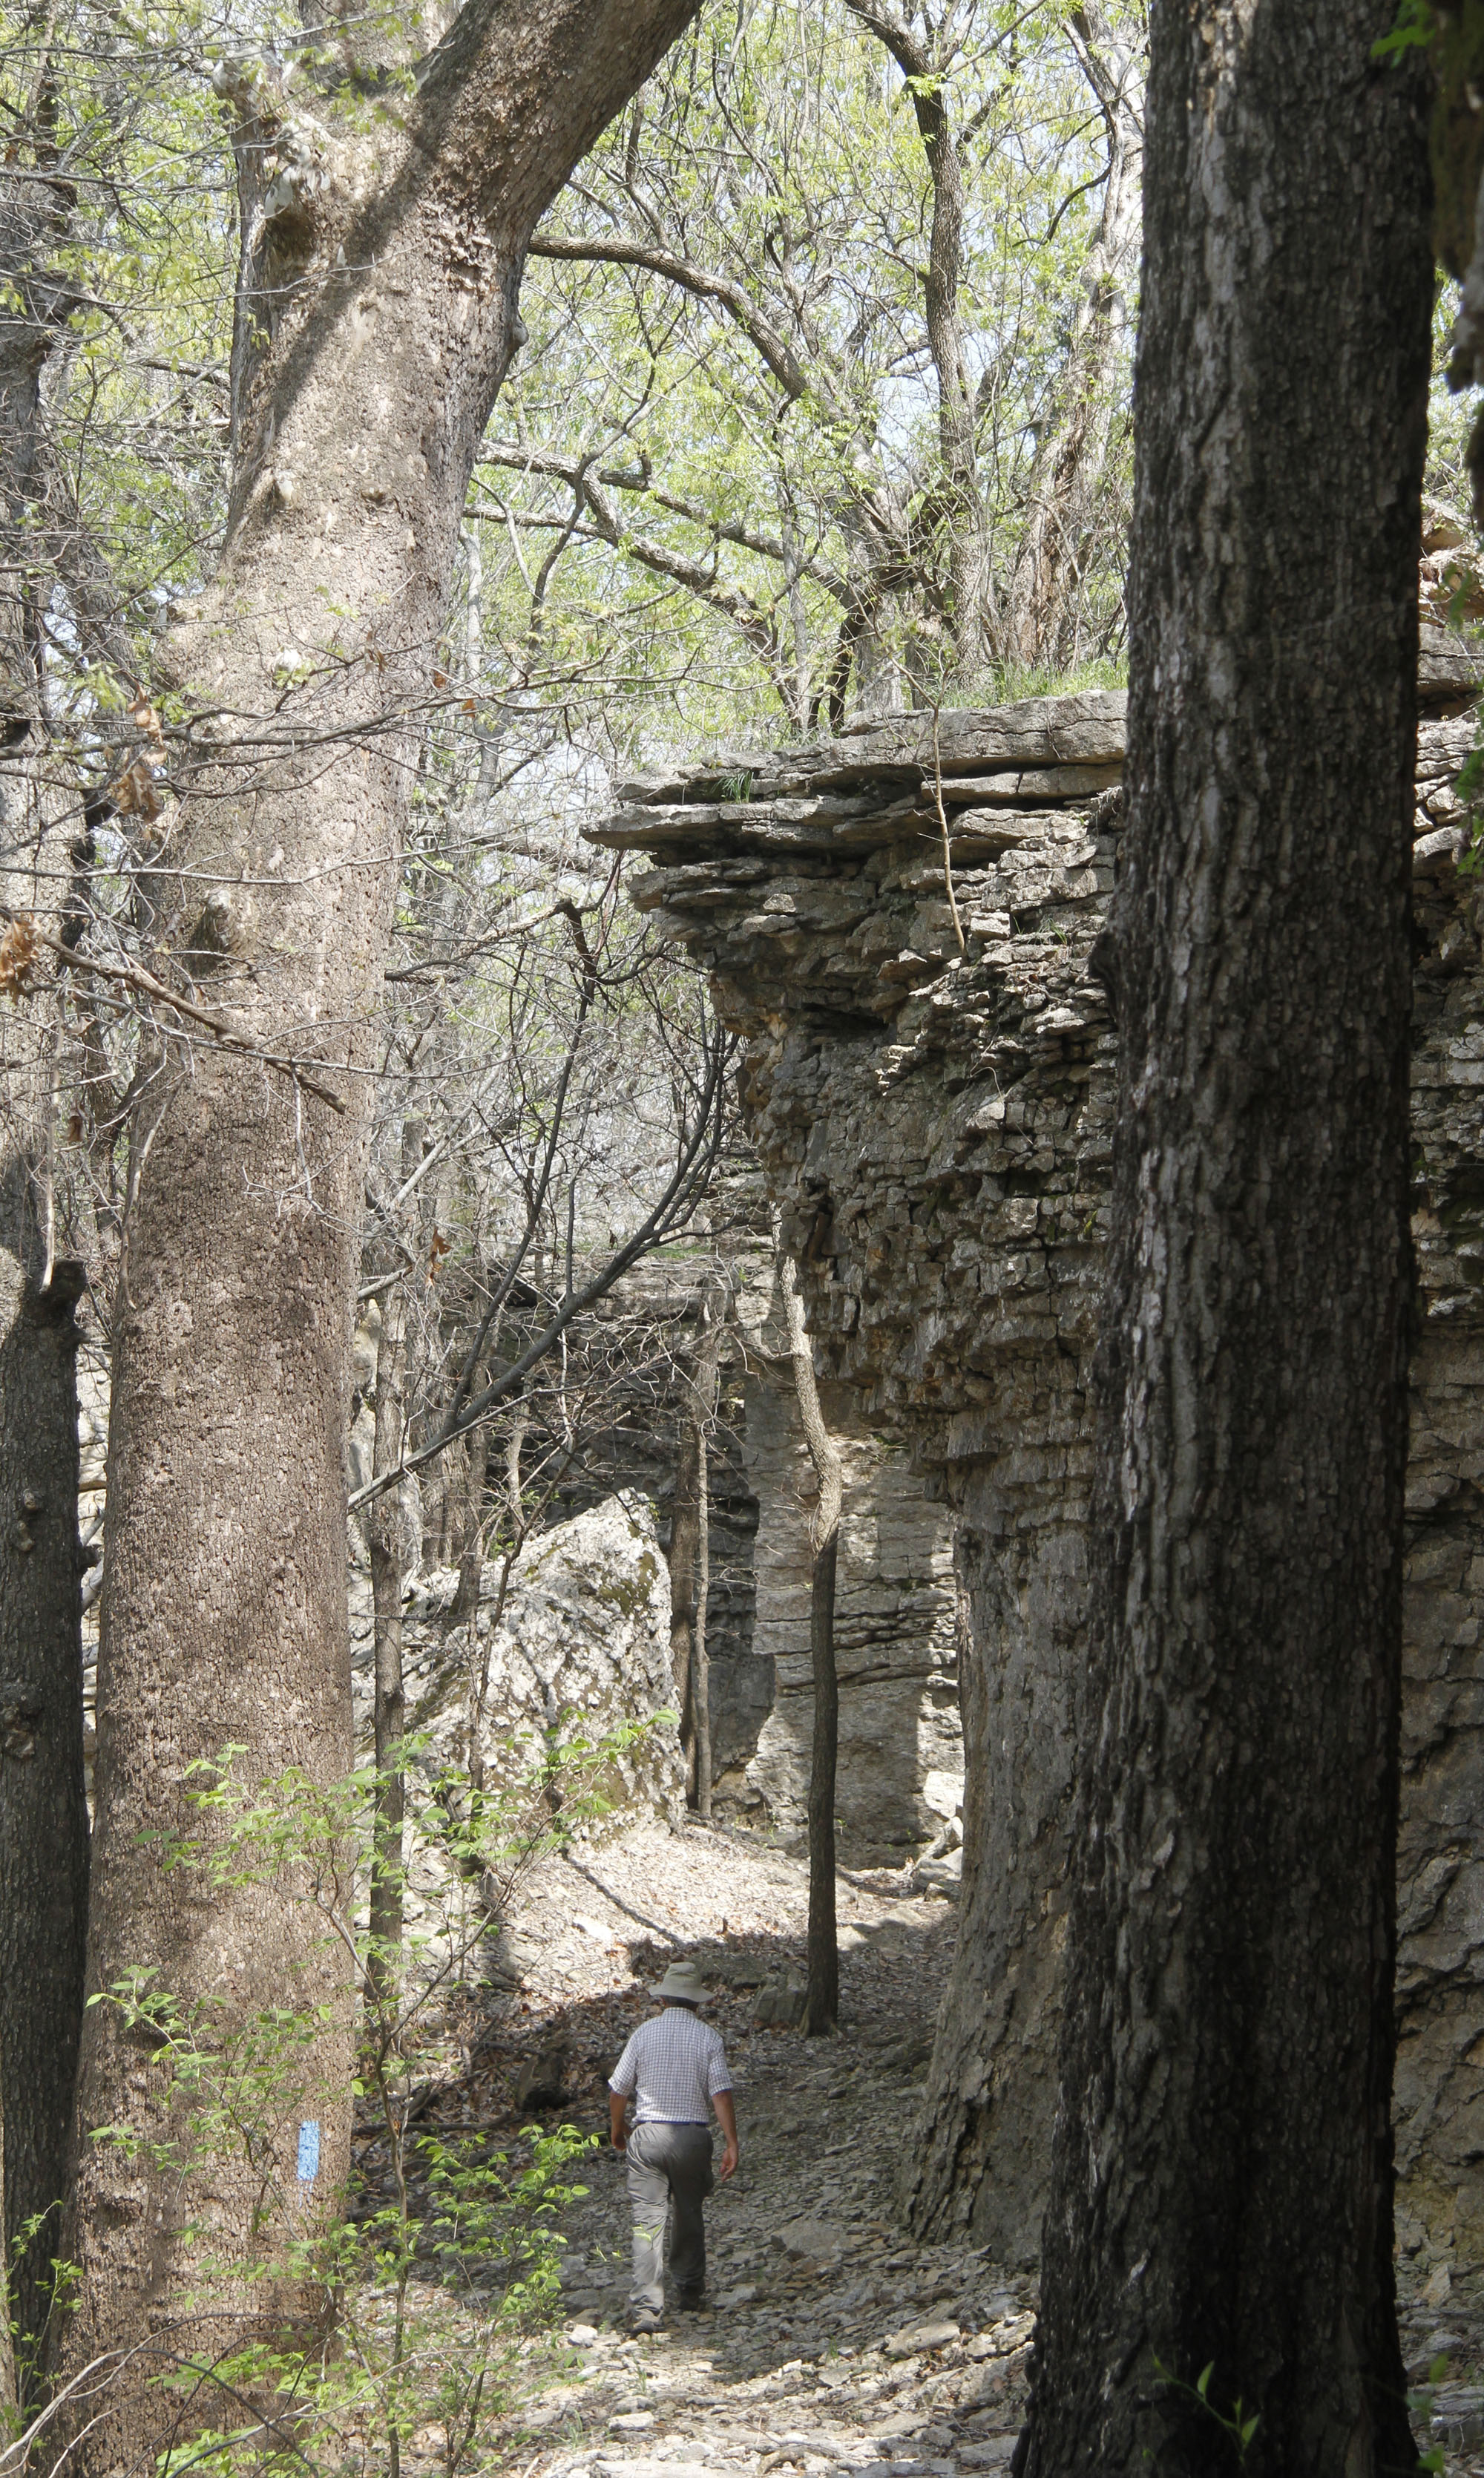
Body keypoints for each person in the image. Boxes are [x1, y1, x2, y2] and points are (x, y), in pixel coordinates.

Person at [608, 1957, 740, 2330]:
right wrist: (732, 2142)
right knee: (689, 2212)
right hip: (692, 2137)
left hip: (648, 2134)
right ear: (697, 2002)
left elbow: (618, 2090)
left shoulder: (644, 2034)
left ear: (664, 1999)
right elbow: (721, 2095)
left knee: (647, 2221)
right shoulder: (709, 2038)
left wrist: (617, 2130)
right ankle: (690, 2289)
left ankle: (647, 2308)